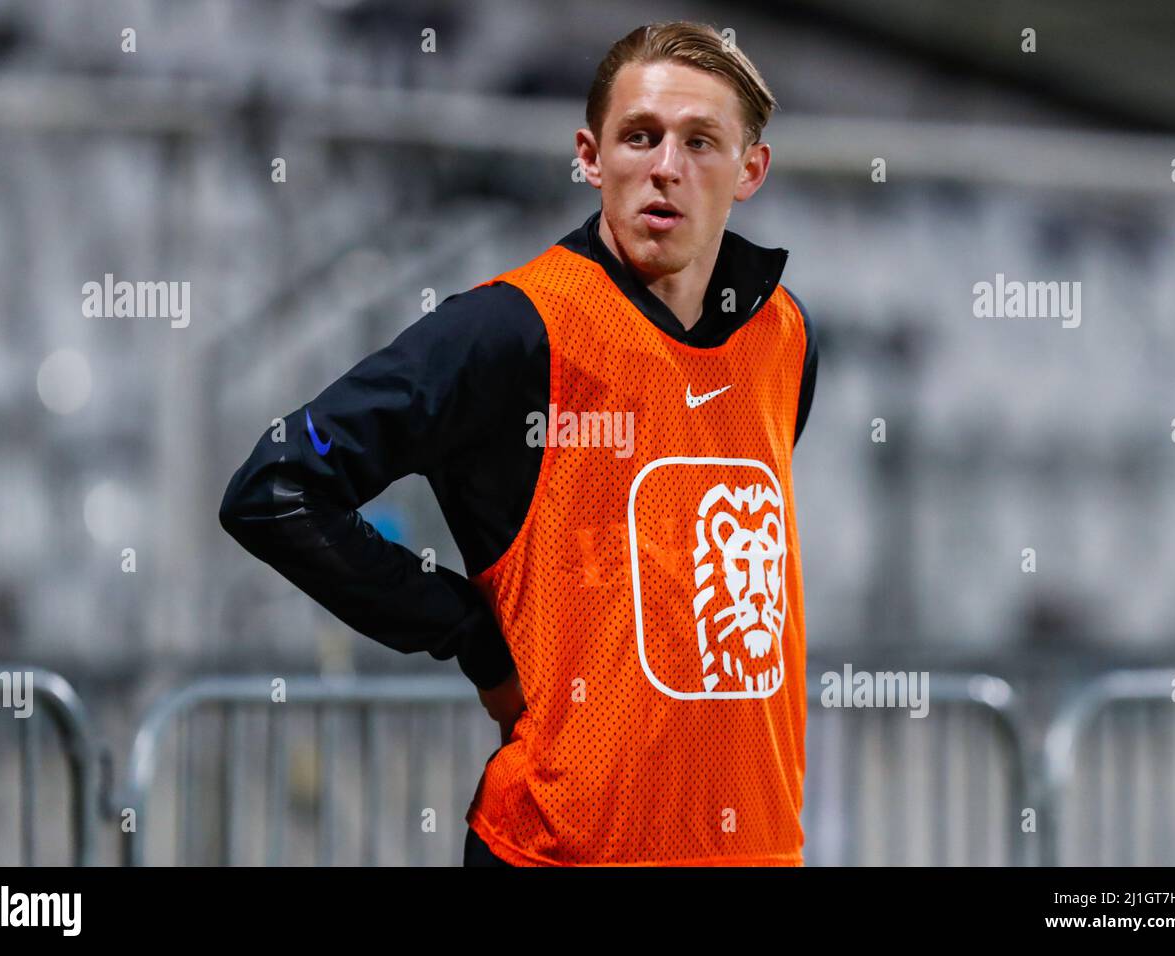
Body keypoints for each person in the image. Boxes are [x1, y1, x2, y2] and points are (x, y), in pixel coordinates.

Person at [219, 20, 817, 867]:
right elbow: (275, 488)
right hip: (556, 853)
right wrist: (471, 631)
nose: (666, 168)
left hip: (755, 850)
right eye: (639, 137)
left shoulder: (785, 334)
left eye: (700, 142)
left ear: (749, 170)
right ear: (589, 155)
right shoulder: (512, 330)